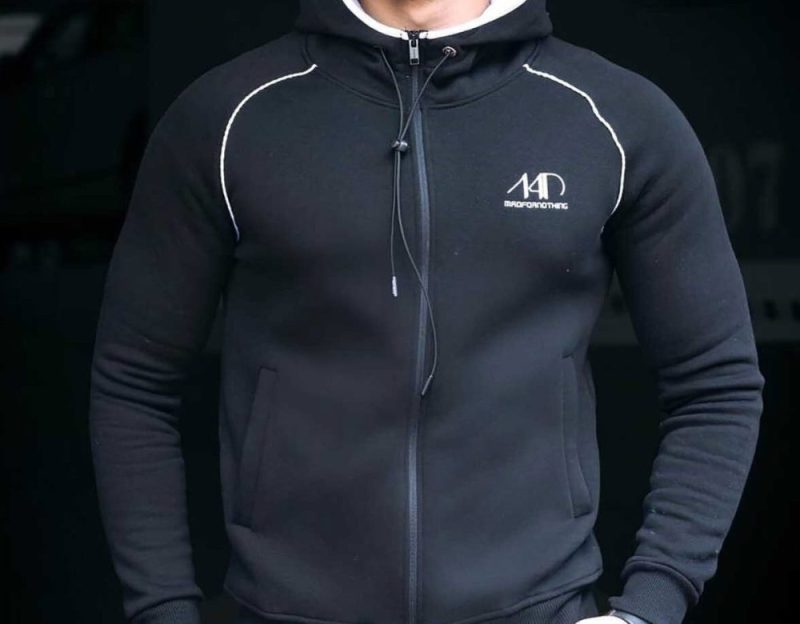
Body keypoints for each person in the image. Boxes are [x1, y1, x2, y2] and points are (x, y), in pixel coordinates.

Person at [88, 1, 765, 624]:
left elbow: (716, 382)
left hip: (538, 608)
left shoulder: (613, 117)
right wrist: (162, 610)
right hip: (283, 609)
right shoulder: (229, 116)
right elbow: (134, 382)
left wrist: (652, 604)